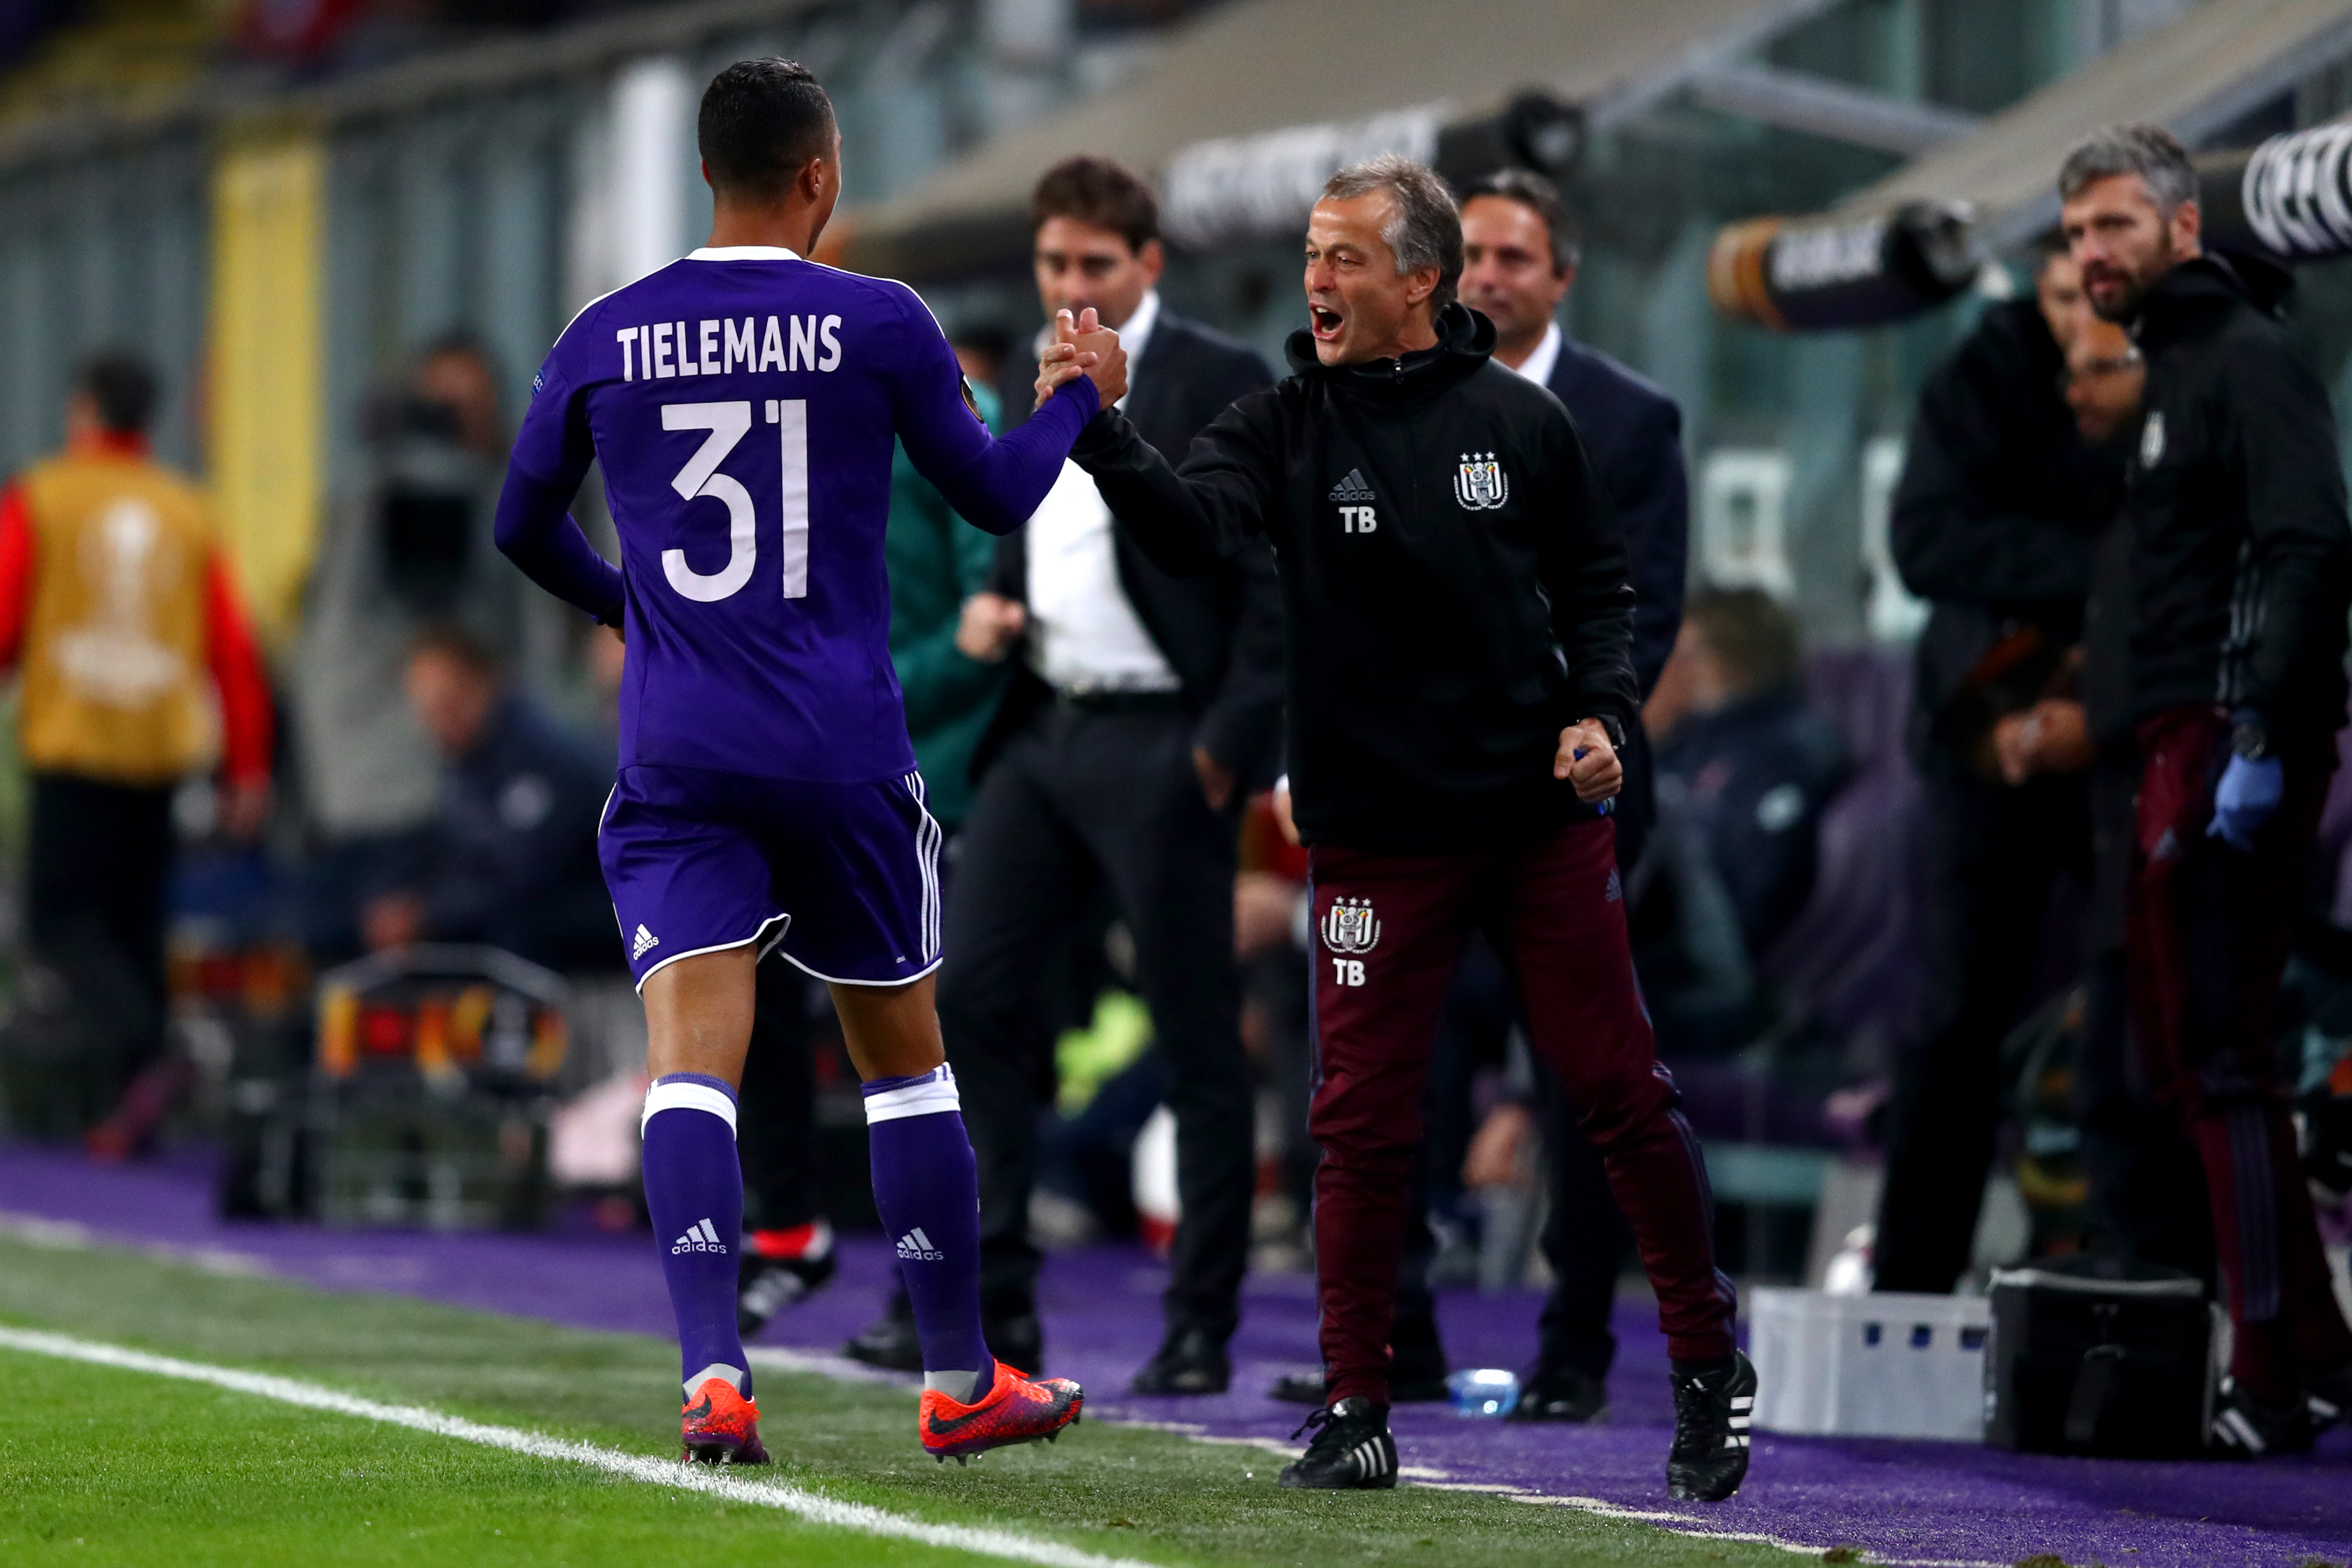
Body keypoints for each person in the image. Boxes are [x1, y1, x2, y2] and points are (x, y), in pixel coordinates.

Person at [1060, 153, 1751, 1500]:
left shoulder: (1524, 425)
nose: (1315, 280)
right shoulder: (1281, 425)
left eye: (1345, 257)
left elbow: (1600, 591)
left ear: (1419, 282)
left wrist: (1604, 710)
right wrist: (1105, 435)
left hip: (1536, 824)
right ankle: (1356, 1401)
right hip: (1375, 837)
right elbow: (1193, 534)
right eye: (1312, 256)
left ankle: (1703, 1362)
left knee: (1615, 1091)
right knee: (1359, 1121)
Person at [494, 56, 1120, 1465]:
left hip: (680, 749)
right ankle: (958, 1378)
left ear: (706, 175)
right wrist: (1076, 396)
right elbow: (994, 489)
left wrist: (628, 605)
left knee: (690, 1066)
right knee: (904, 1066)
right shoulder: (879, 323)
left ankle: (715, 1374)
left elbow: (518, 527)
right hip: (840, 747)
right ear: (821, 177)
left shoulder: (607, 331)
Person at [848, 155, 1284, 1395]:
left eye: (1098, 264)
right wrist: (997, 604)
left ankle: (1199, 1322)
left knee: (1197, 1031)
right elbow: (1015, 525)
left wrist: (1229, 744)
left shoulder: (1217, 378)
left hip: (1166, 734)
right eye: (1055, 265)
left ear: (1149, 265)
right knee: (975, 1001)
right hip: (1044, 727)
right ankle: (992, 1304)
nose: (1074, 285)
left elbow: (1263, 583)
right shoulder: (1022, 383)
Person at [2059, 122, 2352, 1453]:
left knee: (2223, 1068)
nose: (2092, 252)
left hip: (2220, 739)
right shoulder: (2176, 370)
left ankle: (2271, 1378)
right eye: (2075, 234)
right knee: (2199, 1068)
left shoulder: (2240, 360)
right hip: (2185, 742)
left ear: (2184, 228)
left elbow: (2307, 544)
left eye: (2114, 225)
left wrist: (2258, 735)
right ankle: (2314, 1358)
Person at [1453, 168, 1694, 1423]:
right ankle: (1373, 1341)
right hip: (1423, 791)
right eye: (1471, 254)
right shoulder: (1391, 401)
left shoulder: (1631, 418)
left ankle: (1574, 1350)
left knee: (1584, 1077)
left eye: (1511, 255)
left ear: (1561, 274)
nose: (1488, 274)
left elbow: (1641, 604)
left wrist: (1576, 725)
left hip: (1573, 784)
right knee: (1382, 1065)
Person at [735, 345, 1009, 1339]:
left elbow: (991, 618)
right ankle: (786, 1229)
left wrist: (889, 693)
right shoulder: (794, 416)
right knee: (751, 989)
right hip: (813, 759)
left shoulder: (938, 417)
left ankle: (927, 1285)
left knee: (909, 1041)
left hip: (915, 777)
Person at [1867, 242, 2118, 1295]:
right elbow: (1923, 542)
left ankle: (2127, 1279)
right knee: (1947, 1021)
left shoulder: (2179, 375)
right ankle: (1907, 1292)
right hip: (1982, 732)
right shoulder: (1982, 369)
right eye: (2060, 293)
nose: (2077, 317)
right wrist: (2101, 571)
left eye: (2095, 297)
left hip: (2120, 729)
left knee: (2129, 1010)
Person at [0, 351, 272, 1140]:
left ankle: (139, 1054)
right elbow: (233, 652)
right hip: (158, 757)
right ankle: (134, 1106)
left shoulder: (45, 496)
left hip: (74, 747)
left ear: (84, 411)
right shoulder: (186, 512)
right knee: (135, 925)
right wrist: (246, 768)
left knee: (61, 921)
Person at [2000, 318, 2214, 1282]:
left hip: (2178, 820)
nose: (2074, 390)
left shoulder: (2196, 490)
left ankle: (2180, 1306)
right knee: (2108, 1081)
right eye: (2067, 371)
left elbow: (2197, 652)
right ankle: (2133, 1304)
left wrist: (2097, 716)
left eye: (2097, 369)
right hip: (2115, 823)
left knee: (2153, 1077)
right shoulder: (2128, 494)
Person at [355, 625, 615, 971]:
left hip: (597, 941)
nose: (438, 721)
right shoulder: (468, 761)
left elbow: (523, 876)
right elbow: (453, 847)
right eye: (427, 710)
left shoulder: (542, 753)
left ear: (487, 682)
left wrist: (425, 915)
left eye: (449, 702)